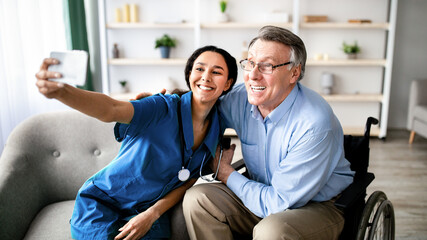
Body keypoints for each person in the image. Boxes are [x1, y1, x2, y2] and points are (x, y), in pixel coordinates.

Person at [35, 45, 237, 240]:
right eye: (199, 69)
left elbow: (189, 181)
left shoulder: (217, 129)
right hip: (101, 203)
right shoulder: (161, 107)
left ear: (228, 83)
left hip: (146, 210)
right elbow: (110, 108)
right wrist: (61, 92)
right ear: (190, 75)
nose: (206, 77)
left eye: (216, 72)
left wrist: (152, 214)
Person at [182, 26, 354, 240]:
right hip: (259, 192)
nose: (253, 76)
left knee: (271, 231)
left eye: (267, 66)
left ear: (294, 73)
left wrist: (226, 173)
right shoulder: (241, 99)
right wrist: (158, 105)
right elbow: (200, 107)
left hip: (315, 206)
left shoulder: (313, 123)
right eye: (251, 63)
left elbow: (278, 202)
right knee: (197, 199)